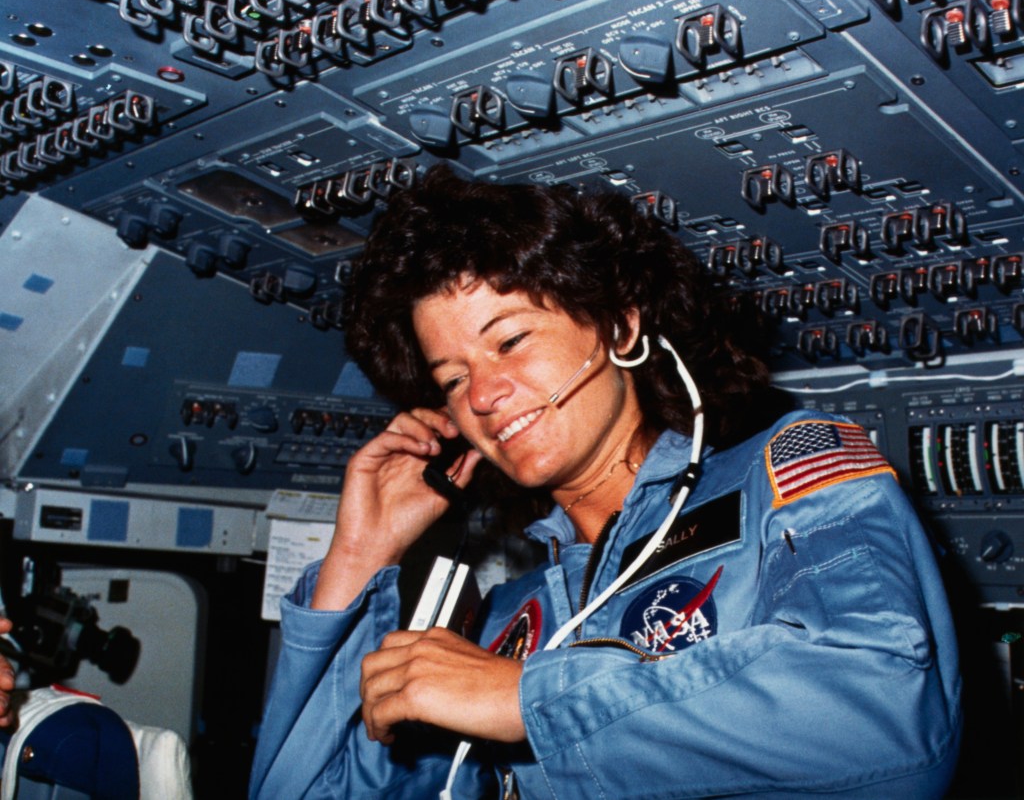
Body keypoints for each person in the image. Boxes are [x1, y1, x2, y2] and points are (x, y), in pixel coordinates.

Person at [249, 166, 961, 798]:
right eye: (454, 378)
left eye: (510, 341)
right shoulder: (498, 625)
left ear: (622, 327)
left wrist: (526, 700)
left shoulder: (788, 471)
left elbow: (889, 715)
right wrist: (356, 560)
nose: (485, 394)